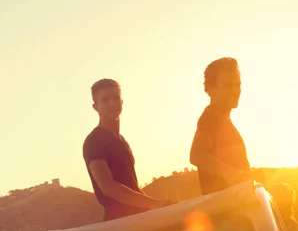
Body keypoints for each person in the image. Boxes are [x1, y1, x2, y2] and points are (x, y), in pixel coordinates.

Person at [83, 78, 173, 221]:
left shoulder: (121, 140)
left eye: (116, 98)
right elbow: (108, 187)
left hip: (139, 219)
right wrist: (153, 203)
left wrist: (158, 204)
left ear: (122, 102)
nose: (112, 103)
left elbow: (132, 186)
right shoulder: (94, 141)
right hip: (120, 225)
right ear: (95, 107)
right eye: (105, 100)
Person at [190, 58, 252, 195]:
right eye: (229, 86)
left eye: (238, 84)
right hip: (227, 210)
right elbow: (197, 155)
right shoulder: (211, 118)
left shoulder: (221, 119)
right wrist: (238, 176)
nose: (236, 91)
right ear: (211, 89)